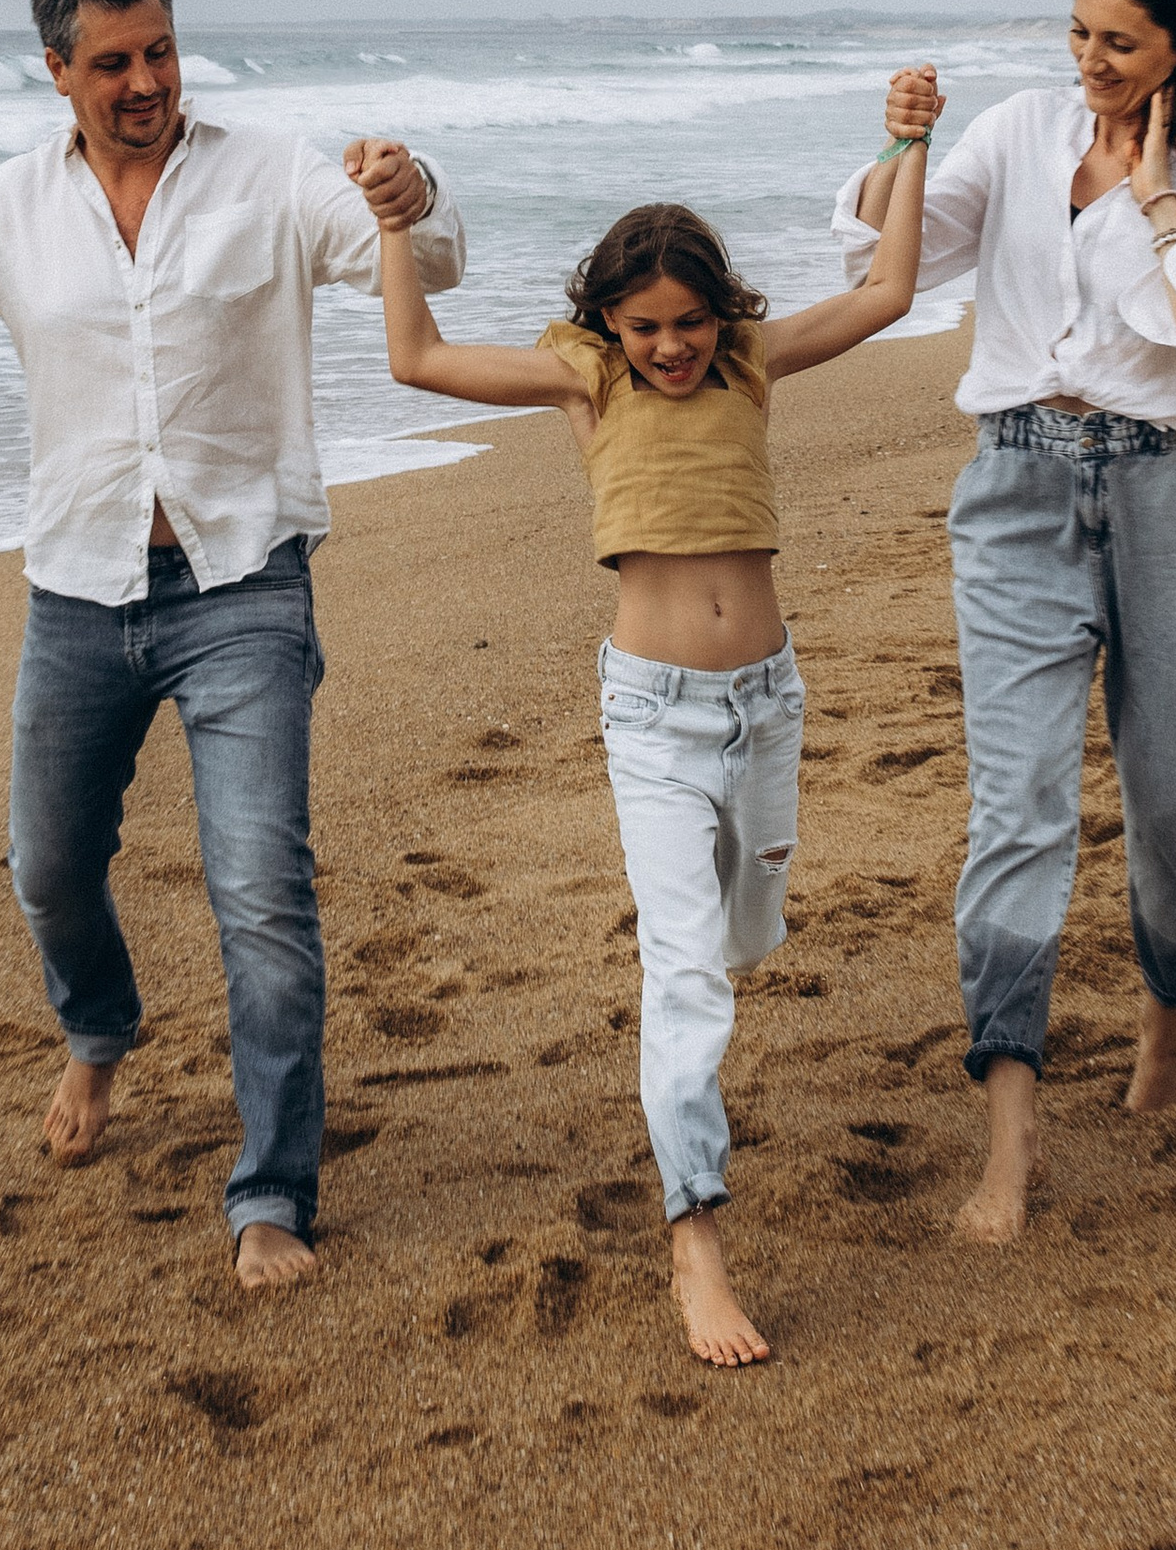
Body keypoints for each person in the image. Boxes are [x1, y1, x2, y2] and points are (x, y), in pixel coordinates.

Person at [0, 0, 462, 1293]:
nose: (145, 79)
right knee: (47, 866)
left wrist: (411, 189)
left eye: (159, 49)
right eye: (113, 62)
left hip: (244, 587)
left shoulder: (270, 175)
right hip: (78, 594)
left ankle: (271, 1188)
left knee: (262, 889)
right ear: (57, 71)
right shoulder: (9, 211)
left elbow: (425, 261)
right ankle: (99, 1032)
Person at [373, 135, 932, 1367]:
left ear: (717, 314)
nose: (668, 348)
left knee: (745, 939)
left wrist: (909, 145)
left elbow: (889, 290)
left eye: (685, 323)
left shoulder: (752, 361)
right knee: (686, 978)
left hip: (770, 706)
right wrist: (389, 224)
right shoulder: (588, 384)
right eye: (643, 328)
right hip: (654, 717)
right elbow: (413, 359)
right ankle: (696, 1240)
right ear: (607, 324)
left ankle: (697, 987)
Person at [839, 0, 1176, 1247]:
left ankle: (1167, 1021)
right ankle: (1015, 1126)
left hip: (1173, 494)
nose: (1092, 60)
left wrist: (1160, 209)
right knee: (1020, 803)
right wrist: (904, 145)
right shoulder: (1022, 135)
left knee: (1175, 798)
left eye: (1122, 41)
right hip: (1019, 486)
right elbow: (894, 257)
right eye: (1080, 32)